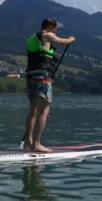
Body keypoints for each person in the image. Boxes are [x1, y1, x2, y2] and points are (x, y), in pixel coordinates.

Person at [23, 18, 75, 153]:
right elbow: (62, 42)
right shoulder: (47, 35)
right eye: (55, 29)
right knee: (44, 111)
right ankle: (37, 144)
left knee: (33, 110)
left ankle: (28, 142)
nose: (56, 32)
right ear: (51, 27)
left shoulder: (32, 38)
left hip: (31, 77)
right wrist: (71, 39)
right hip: (42, 78)